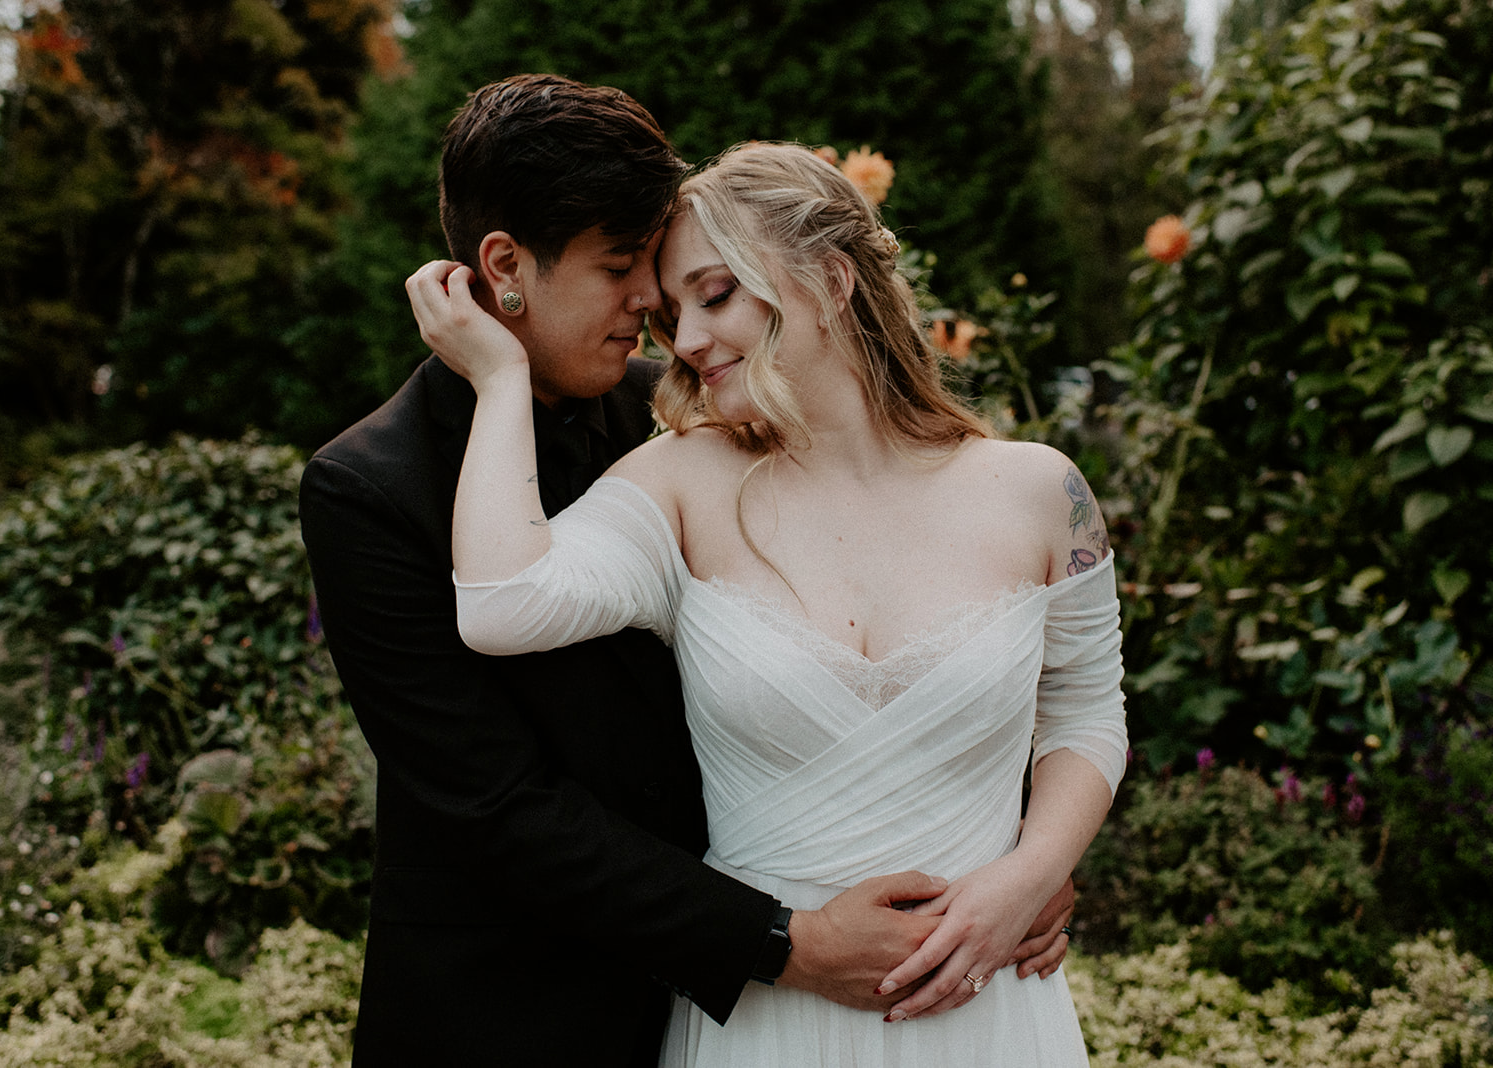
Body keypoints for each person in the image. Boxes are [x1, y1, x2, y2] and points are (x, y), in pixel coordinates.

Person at [303, 77, 1073, 1066]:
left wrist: (1009, 864)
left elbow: (889, 605)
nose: (654, 310)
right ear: (505, 267)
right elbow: (497, 807)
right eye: (622, 268)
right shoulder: (369, 488)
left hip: (742, 1002)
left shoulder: (696, 408)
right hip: (515, 1013)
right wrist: (782, 945)